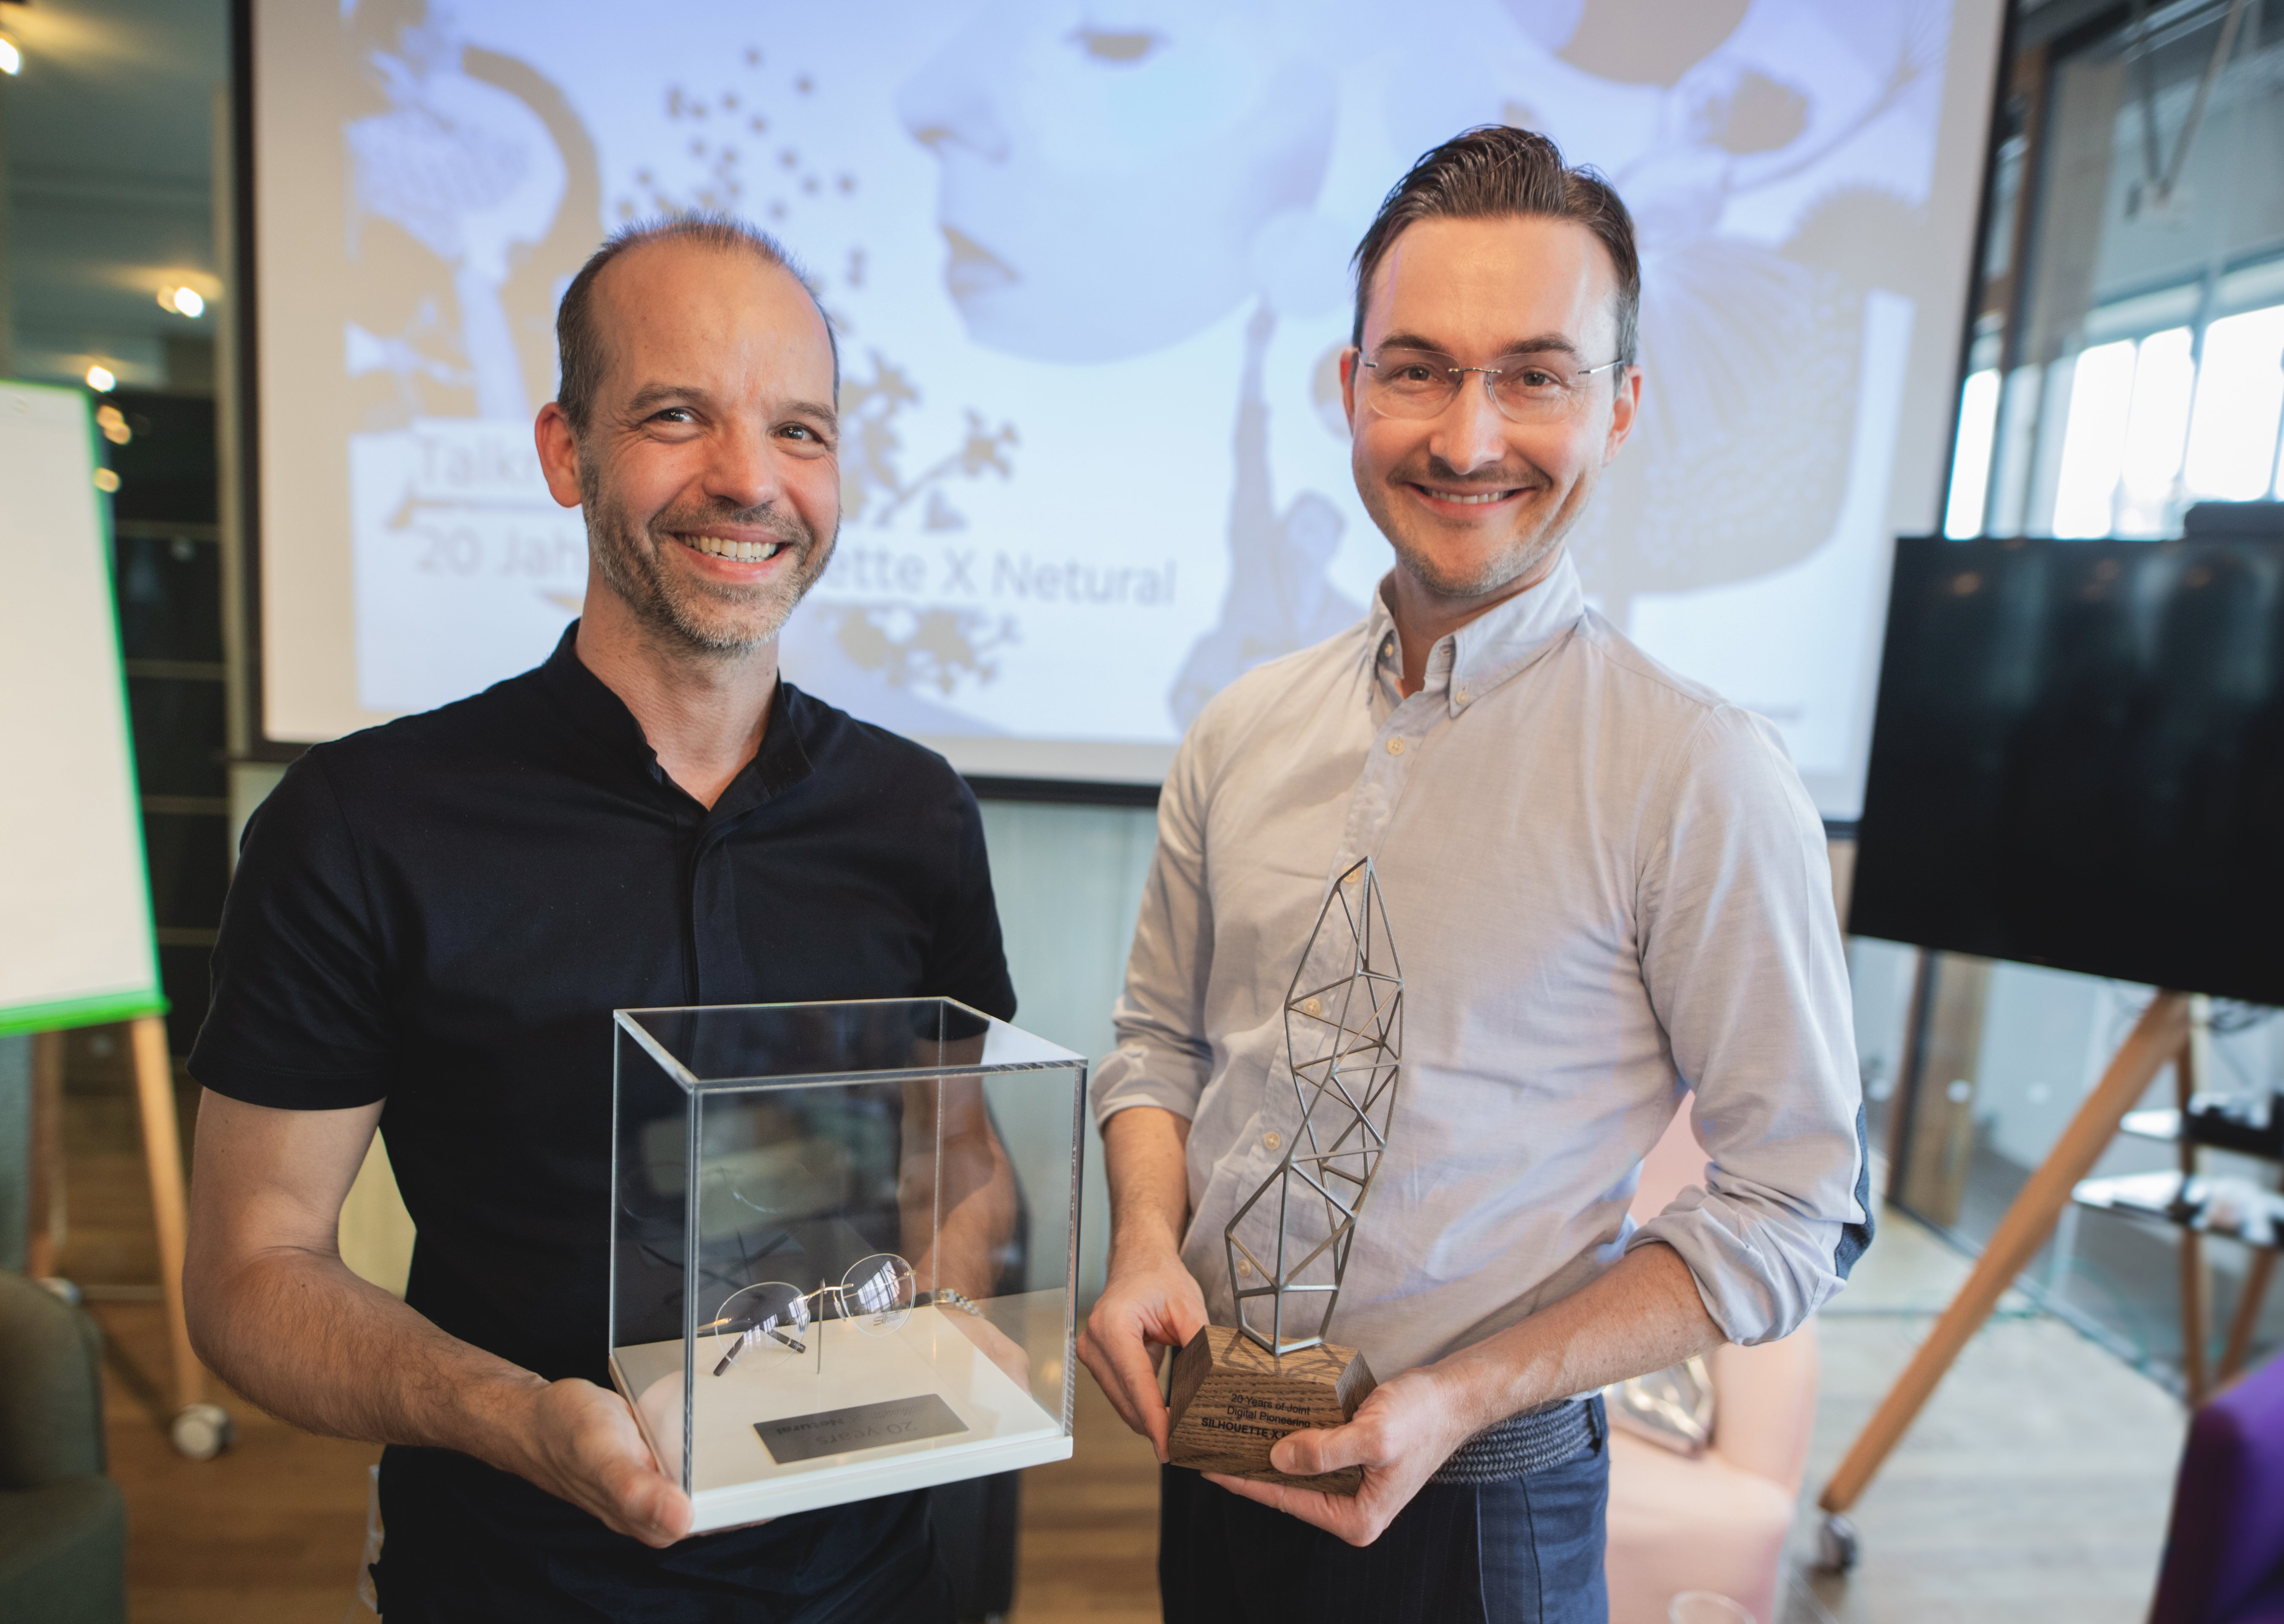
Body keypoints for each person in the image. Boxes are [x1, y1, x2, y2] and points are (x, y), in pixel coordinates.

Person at [1077, 127, 1868, 1621]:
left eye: (1534, 377)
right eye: (1418, 370)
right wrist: (1137, 1248)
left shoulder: (1698, 772)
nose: (1465, 437)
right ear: (1350, 387)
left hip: (1485, 1509)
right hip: (1213, 1452)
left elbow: (1795, 1204)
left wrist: (1465, 1395)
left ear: (1618, 407)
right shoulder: (1239, 728)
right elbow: (1159, 1049)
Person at [182, 215, 1017, 1621]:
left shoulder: (915, 813)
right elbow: (250, 1272)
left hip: (871, 1579)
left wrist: (929, 1335)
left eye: (799, 432)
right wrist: (519, 1418)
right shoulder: (363, 822)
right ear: (565, 452)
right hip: (515, 1576)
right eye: (677, 416)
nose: (749, 479)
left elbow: (962, 1162)